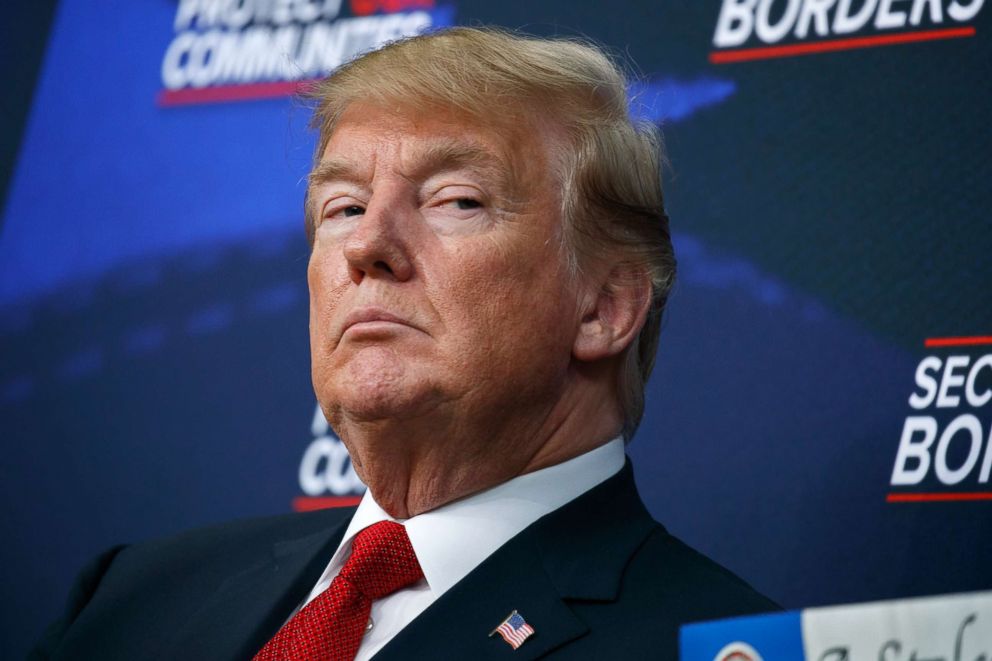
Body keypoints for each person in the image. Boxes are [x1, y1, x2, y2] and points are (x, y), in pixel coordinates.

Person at [33, 27, 775, 660]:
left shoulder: (705, 639)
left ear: (604, 308)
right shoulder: (133, 595)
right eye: (344, 205)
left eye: (456, 200)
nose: (366, 243)